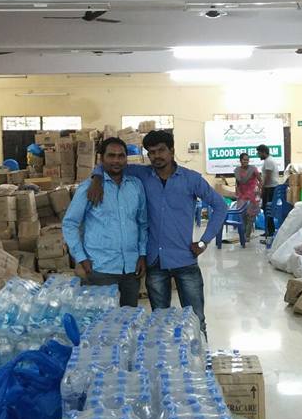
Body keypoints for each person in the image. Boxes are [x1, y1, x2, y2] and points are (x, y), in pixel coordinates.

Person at [87, 130, 226, 336]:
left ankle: (200, 354)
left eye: (161, 150)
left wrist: (204, 242)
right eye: (151, 152)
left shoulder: (191, 179)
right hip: (155, 263)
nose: (156, 156)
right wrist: (97, 177)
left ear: (172, 150)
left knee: (197, 319)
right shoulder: (141, 175)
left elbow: (220, 206)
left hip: (185, 259)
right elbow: (111, 165)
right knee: (160, 323)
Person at [62, 137, 147, 307]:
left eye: (121, 156)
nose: (116, 160)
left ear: (126, 159)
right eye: (111, 155)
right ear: (102, 159)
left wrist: (142, 255)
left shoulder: (136, 186)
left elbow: (142, 223)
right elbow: (70, 224)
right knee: (100, 320)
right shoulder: (89, 188)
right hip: (99, 269)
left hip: (131, 270)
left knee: (128, 319)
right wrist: (81, 258)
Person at [233, 152, 262, 238]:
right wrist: (237, 193)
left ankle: (247, 235)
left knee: (251, 216)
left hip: (252, 195)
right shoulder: (237, 170)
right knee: (242, 215)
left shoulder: (253, 169)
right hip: (242, 195)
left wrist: (260, 191)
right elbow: (237, 183)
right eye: (244, 160)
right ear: (240, 160)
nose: (246, 161)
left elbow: (260, 180)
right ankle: (244, 233)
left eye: (247, 160)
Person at [257, 144, 280, 238]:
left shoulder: (268, 161)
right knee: (266, 209)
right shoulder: (269, 160)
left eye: (259, 153)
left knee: (268, 210)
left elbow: (268, 177)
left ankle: (270, 231)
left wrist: (262, 188)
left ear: (264, 152)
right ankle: (269, 230)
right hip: (270, 188)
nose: (258, 155)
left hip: (270, 188)